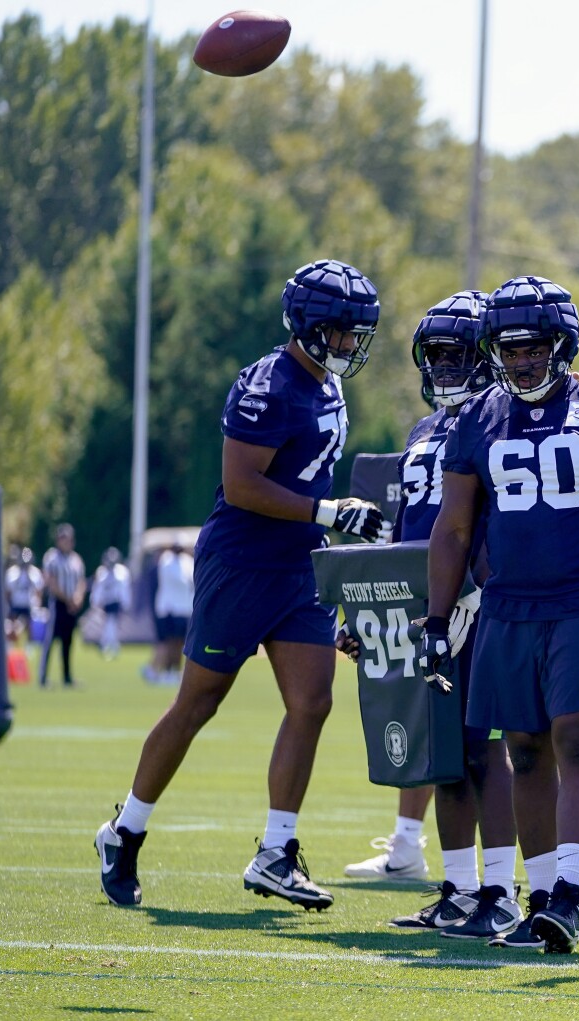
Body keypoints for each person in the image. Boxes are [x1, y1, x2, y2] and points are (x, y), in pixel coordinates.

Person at [94, 258, 388, 910]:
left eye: (355, 333)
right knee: (199, 701)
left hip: (299, 562)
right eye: (340, 332)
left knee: (313, 701)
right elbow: (244, 485)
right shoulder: (267, 382)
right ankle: (126, 831)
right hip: (242, 563)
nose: (349, 345)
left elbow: (306, 477)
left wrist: (333, 524)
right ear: (309, 327)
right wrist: (329, 512)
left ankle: (276, 852)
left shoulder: (329, 386)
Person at [420, 275, 579, 954]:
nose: (522, 359)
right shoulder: (478, 418)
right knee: (522, 750)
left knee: (578, 742)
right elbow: (453, 529)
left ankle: (570, 895)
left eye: (534, 347)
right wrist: (437, 621)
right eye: (509, 347)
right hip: (509, 606)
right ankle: (538, 898)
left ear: (560, 345)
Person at [342, 291, 524, 940]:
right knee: (442, 755)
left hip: (477, 605)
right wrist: (371, 605)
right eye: (436, 356)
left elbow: (496, 521)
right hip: (424, 609)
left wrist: (472, 590)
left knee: (482, 751)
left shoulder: (502, 422)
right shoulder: (424, 430)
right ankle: (459, 887)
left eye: (456, 355)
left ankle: (500, 891)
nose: (443, 368)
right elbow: (406, 527)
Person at [39, 524, 86, 687]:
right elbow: (50, 582)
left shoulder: (76, 559)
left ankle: (67, 677)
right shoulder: (51, 557)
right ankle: (43, 677)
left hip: (72, 605)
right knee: (50, 640)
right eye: (63, 538)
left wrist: (78, 598)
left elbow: (81, 581)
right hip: (58, 603)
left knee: (68, 641)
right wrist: (68, 599)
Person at [146, 544, 195, 685]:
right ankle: (165, 670)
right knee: (169, 642)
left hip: (182, 608)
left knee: (178, 643)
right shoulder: (167, 561)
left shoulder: (185, 561)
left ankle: (173, 671)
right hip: (170, 608)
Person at [91, 547, 133, 660]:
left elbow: (125, 589)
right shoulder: (102, 572)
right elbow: (98, 588)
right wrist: (95, 601)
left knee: (112, 623)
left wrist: (126, 602)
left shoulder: (122, 572)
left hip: (116, 601)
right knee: (109, 624)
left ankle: (108, 644)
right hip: (106, 602)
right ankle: (110, 644)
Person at [4, 546, 44, 646]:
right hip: (16, 605)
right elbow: (8, 592)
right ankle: (12, 648)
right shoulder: (12, 572)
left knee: (29, 629)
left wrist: (37, 606)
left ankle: (28, 648)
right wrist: (8, 606)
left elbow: (39, 592)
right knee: (13, 628)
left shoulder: (35, 573)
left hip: (29, 606)